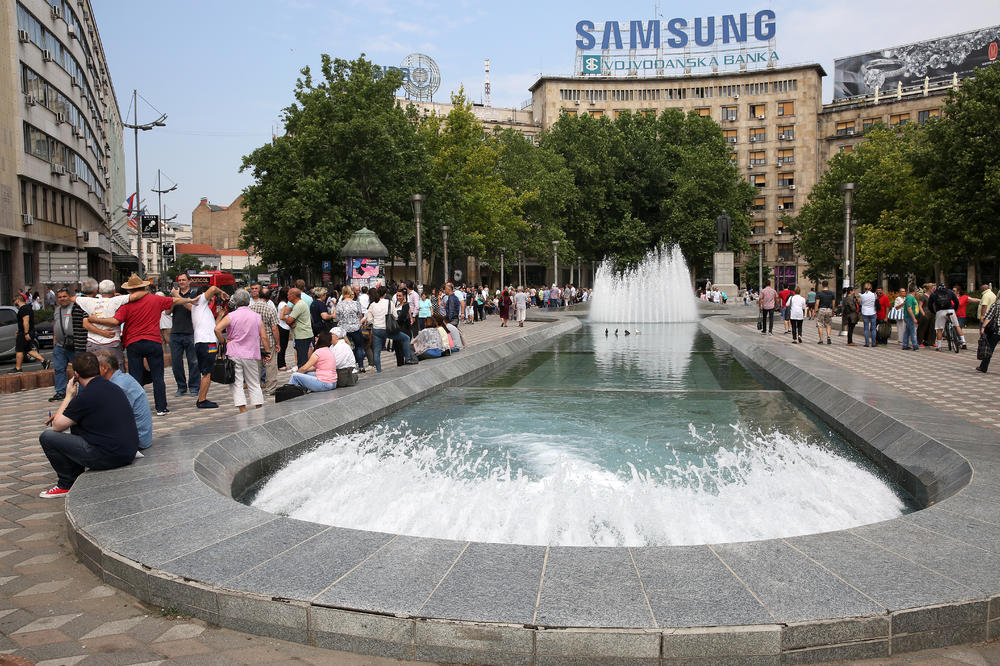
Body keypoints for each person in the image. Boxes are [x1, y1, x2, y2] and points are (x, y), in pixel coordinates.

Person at [88, 275, 196, 416]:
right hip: (153, 341)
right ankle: (161, 408)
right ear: (143, 287)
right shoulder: (155, 299)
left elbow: (115, 321)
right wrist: (190, 299)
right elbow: (175, 300)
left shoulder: (126, 304)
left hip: (134, 343)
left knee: (136, 378)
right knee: (158, 377)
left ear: (130, 290)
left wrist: (96, 320)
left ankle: (137, 408)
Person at [38, 352, 139, 498]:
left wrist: (68, 396)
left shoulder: (86, 396)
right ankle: (75, 475)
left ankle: (66, 484)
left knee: (47, 437)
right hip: (128, 452)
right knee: (76, 422)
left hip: (109, 456)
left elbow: (57, 426)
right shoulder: (112, 387)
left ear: (76, 375)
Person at [214, 289, 270, 412]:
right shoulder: (256, 316)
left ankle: (243, 410)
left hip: (234, 352)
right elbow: (264, 336)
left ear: (235, 302)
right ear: (248, 301)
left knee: (237, 383)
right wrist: (267, 351)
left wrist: (224, 342)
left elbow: (217, 329)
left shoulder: (231, 316)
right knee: (254, 382)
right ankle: (258, 408)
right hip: (251, 353)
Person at [95, 351, 152, 450]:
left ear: (104, 368)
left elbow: (115, 418)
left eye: (95, 367)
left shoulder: (118, 385)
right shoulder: (122, 378)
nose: (92, 371)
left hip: (138, 440)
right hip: (141, 436)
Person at [76, 278, 134, 371]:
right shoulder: (118, 301)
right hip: (111, 342)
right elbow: (115, 321)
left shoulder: (89, 302)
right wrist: (103, 332)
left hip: (93, 343)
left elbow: (85, 323)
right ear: (114, 291)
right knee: (116, 371)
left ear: (99, 291)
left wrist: (96, 322)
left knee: (93, 371)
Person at [189, 284, 227, 409]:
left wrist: (220, 316)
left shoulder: (199, 308)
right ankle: (202, 400)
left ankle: (202, 397)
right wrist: (221, 292)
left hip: (204, 342)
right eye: (212, 297)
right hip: (207, 343)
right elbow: (213, 288)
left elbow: (213, 327)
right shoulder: (201, 300)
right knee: (207, 372)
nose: (213, 299)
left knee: (206, 371)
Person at [365, 285, 417, 372]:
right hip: (387, 329)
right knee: (406, 338)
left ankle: (379, 370)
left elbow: (369, 320)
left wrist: (376, 322)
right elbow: (396, 316)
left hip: (376, 330)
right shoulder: (389, 303)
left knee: (377, 351)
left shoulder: (372, 304)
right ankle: (408, 358)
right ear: (385, 294)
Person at [48, 288, 86, 402]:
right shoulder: (57, 309)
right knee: (59, 369)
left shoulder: (76, 307)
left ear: (70, 296)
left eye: (64, 296)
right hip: (60, 346)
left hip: (75, 345)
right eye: (59, 297)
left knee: (81, 370)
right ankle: (60, 391)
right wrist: (54, 341)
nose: (62, 299)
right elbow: (56, 325)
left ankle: (84, 392)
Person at [167, 273, 201, 397]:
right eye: (179, 280)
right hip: (175, 332)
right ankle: (181, 386)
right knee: (176, 362)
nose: (181, 282)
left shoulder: (194, 294)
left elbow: (193, 309)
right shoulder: (174, 295)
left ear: (189, 281)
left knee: (193, 362)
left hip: (191, 332)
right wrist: (173, 299)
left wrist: (177, 296)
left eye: (183, 280)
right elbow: (167, 311)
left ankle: (194, 387)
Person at [250, 283, 281, 396]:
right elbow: (274, 328)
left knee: (255, 367)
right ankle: (270, 389)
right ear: (269, 298)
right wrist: (278, 343)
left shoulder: (251, 308)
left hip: (254, 341)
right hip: (269, 340)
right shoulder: (270, 309)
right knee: (270, 365)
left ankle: (255, 389)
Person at [12, 293, 49, 372]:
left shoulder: (23, 309)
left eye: (14, 301)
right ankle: (44, 361)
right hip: (28, 331)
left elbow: (26, 321)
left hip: (25, 333)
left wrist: (25, 333)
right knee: (28, 349)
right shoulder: (28, 308)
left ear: (18, 300)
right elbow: (26, 322)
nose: (14, 302)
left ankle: (18, 368)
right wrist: (20, 330)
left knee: (19, 349)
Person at [334, 286, 367, 372]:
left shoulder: (339, 304)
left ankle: (350, 366)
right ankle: (361, 366)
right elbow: (359, 315)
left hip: (344, 329)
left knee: (347, 348)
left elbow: (336, 318)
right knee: (359, 347)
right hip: (355, 327)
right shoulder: (356, 303)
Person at [928, 282, 966, 350]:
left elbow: (930, 305)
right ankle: (963, 342)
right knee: (957, 326)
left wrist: (934, 312)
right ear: (945, 286)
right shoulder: (949, 292)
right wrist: (955, 309)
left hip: (940, 311)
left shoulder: (934, 293)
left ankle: (939, 346)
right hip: (950, 310)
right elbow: (956, 301)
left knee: (939, 329)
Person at [283, 288, 313, 370]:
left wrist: (286, 320)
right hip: (302, 335)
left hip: (303, 335)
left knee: (302, 361)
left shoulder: (299, 305)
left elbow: (289, 320)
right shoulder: (299, 304)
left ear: (293, 296)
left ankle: (303, 377)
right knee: (301, 358)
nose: (287, 296)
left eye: (288, 294)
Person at [976, 297, 1000, 373]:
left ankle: (983, 367)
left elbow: (989, 317)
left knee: (989, 349)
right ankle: (983, 366)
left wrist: (983, 327)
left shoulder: (996, 305)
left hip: (996, 331)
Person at [812, 280, 836, 345]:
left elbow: (817, 303)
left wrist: (815, 311)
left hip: (821, 309)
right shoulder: (832, 293)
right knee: (828, 323)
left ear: (822, 285)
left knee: (820, 324)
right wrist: (833, 310)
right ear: (827, 285)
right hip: (829, 309)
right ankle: (828, 336)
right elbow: (833, 303)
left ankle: (821, 339)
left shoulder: (819, 293)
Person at [902, 284, 921, 351]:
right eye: (916, 290)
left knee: (907, 331)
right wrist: (914, 318)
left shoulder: (912, 297)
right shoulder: (910, 297)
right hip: (909, 317)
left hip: (910, 317)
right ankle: (915, 345)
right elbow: (909, 308)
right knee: (913, 331)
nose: (917, 291)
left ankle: (905, 344)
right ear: (914, 290)